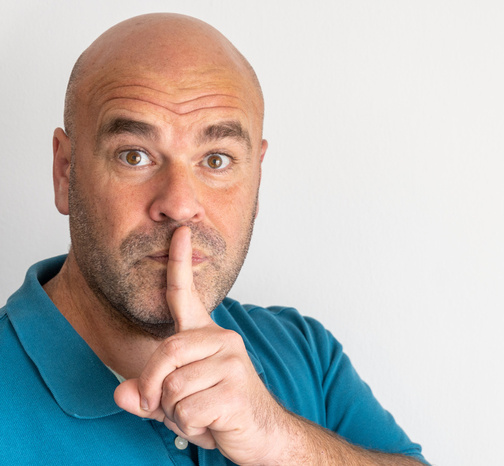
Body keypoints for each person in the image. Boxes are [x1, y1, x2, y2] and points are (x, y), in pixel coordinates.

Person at [0, 13, 426, 465]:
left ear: (257, 177)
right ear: (66, 172)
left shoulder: (305, 352)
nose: (180, 204)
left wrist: (278, 439)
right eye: (134, 155)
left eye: (217, 159)